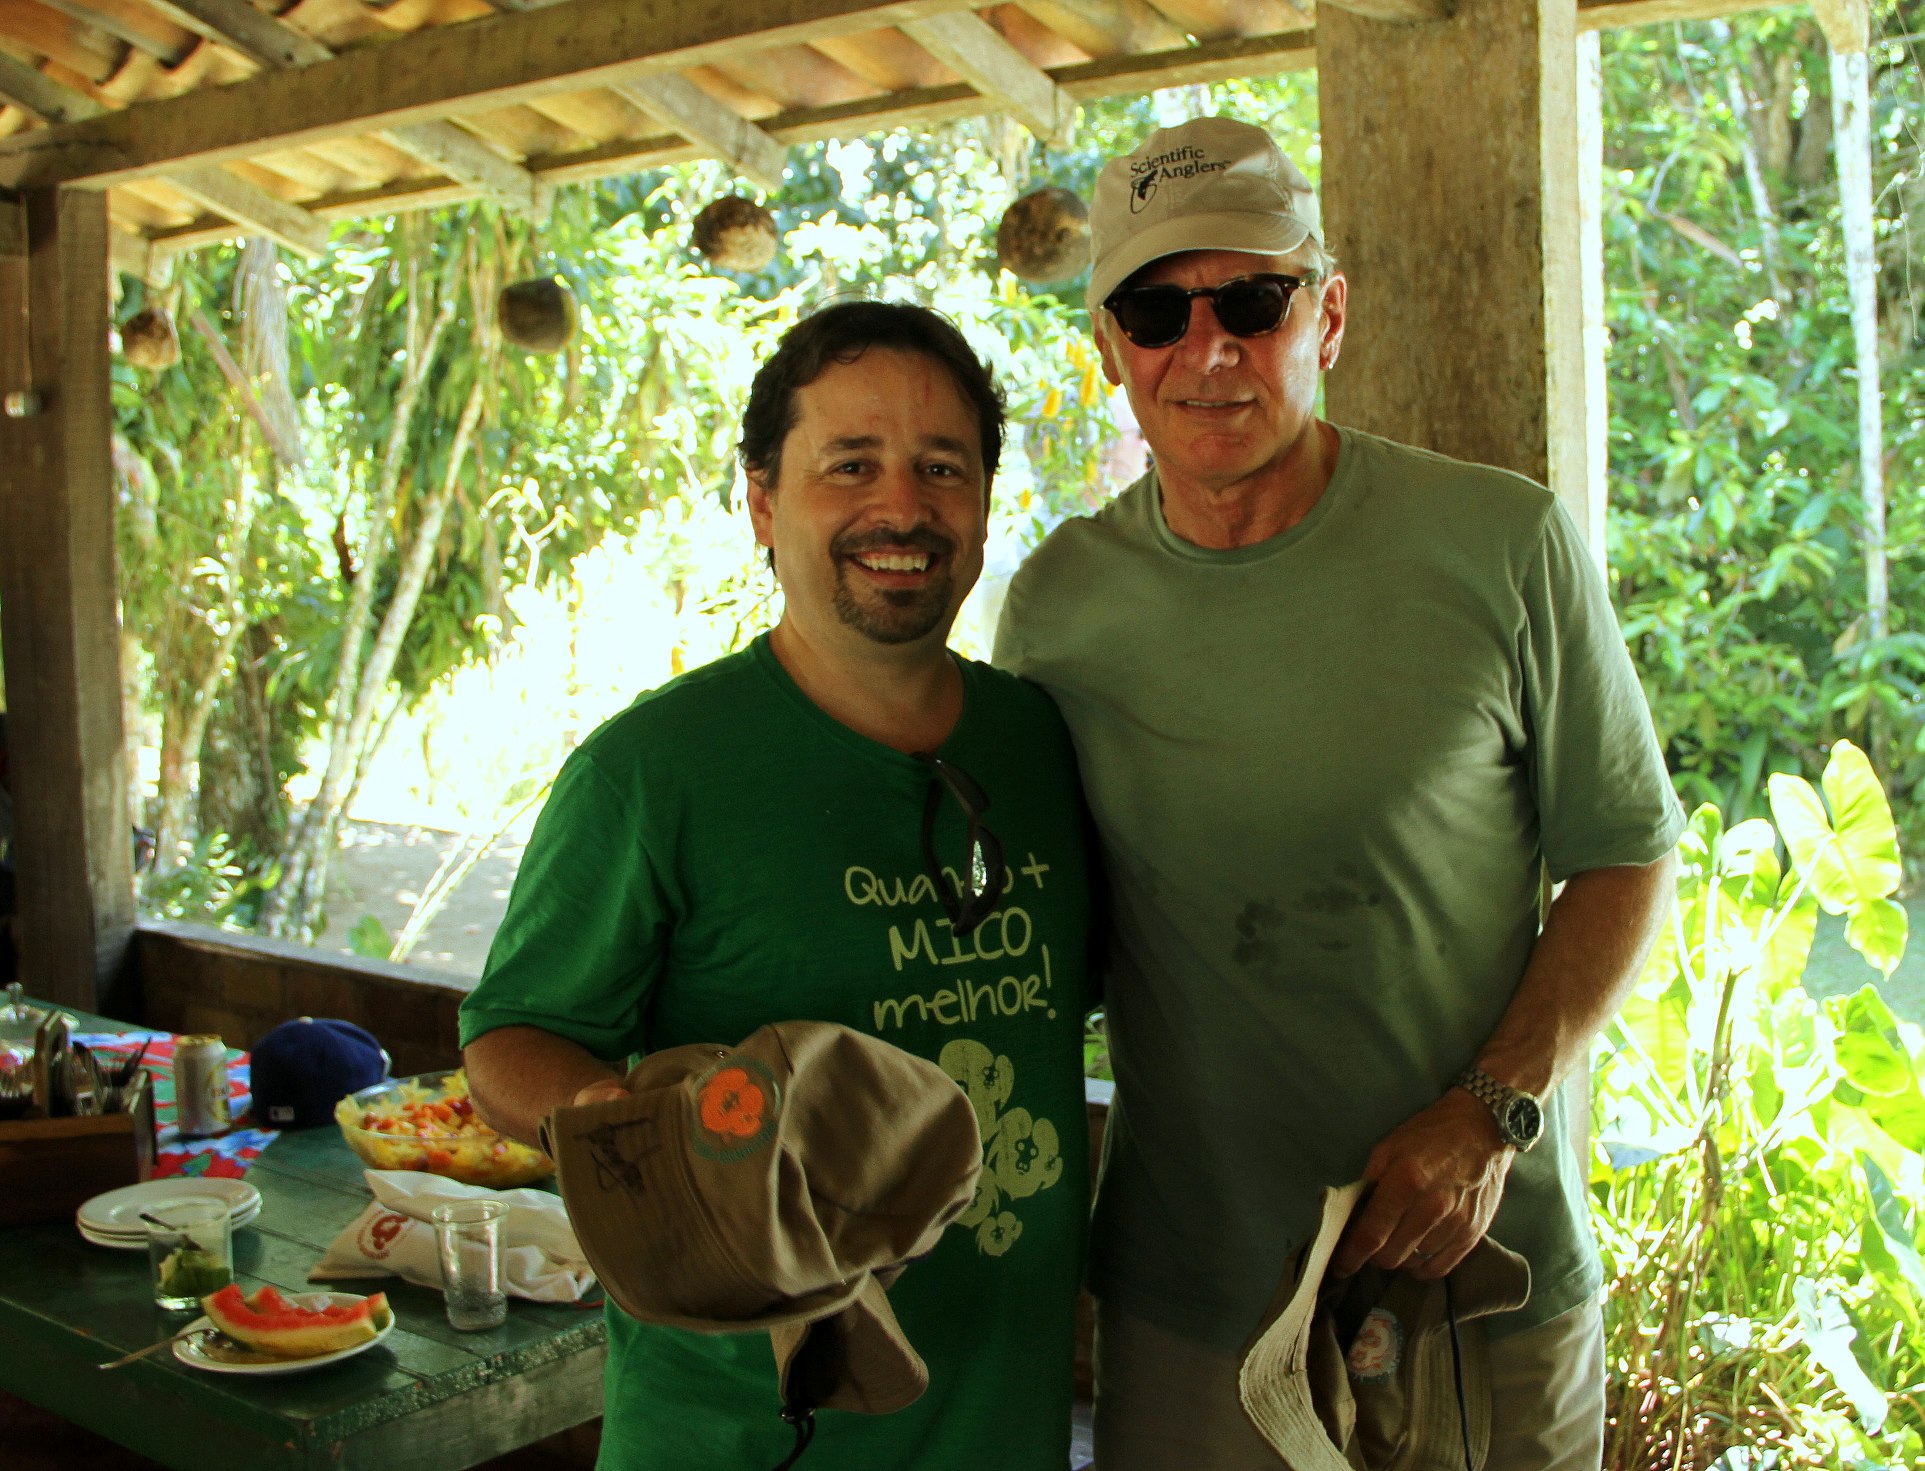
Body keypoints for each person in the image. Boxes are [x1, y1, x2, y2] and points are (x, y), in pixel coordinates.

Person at [995, 118, 1685, 1470]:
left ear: (1330, 311)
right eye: (1154, 311)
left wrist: (1490, 1109)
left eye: (1252, 301)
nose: (1207, 351)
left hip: (1474, 1282)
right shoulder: (1058, 604)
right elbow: (1036, 919)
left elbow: (1626, 850)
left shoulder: (1503, 542)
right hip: (1192, 1299)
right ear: (1106, 349)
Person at [461, 301, 1094, 1471]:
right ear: (761, 501)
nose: (899, 507)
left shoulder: (1042, 745)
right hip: (744, 1438)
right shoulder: (652, 770)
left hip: (1002, 1428)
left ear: (984, 499)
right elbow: (509, 1039)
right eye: (848, 464)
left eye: (939, 468)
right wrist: (633, 1135)